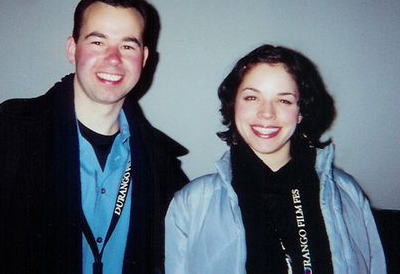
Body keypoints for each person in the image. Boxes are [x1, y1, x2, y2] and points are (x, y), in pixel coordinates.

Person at [0, 0, 188, 274]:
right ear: (72, 49)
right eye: (97, 42)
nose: (113, 59)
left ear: (144, 58)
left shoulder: (161, 165)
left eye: (128, 46)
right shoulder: (2, 140)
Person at [165, 44, 386, 274]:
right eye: (252, 97)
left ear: (300, 112)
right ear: (234, 106)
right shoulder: (191, 203)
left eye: (284, 100)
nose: (267, 113)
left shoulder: (347, 192)